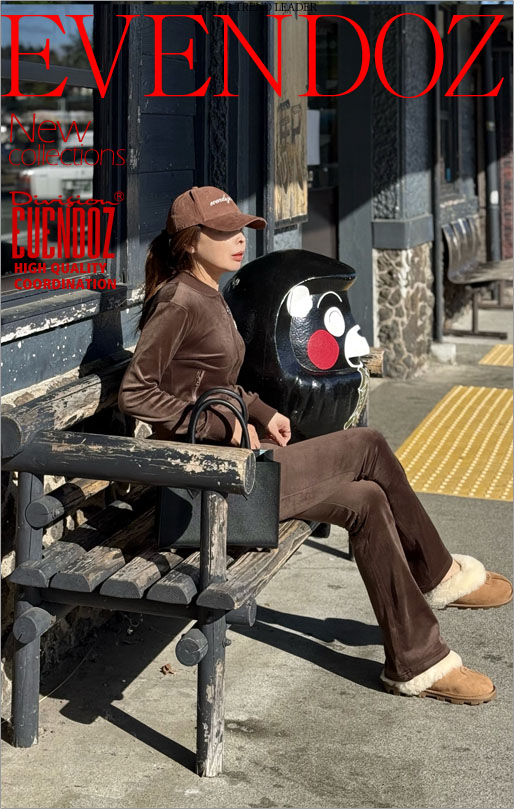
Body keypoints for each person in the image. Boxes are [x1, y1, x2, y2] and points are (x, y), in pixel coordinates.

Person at [118, 185, 512, 705]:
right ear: (190, 241)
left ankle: (417, 660)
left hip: (235, 470)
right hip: (205, 489)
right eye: (224, 231)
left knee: (367, 501)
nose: (239, 239)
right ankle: (439, 575)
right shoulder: (178, 301)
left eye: (241, 229)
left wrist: (262, 412)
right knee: (367, 445)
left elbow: (213, 382)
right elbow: (136, 393)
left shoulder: (209, 292)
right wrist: (221, 428)